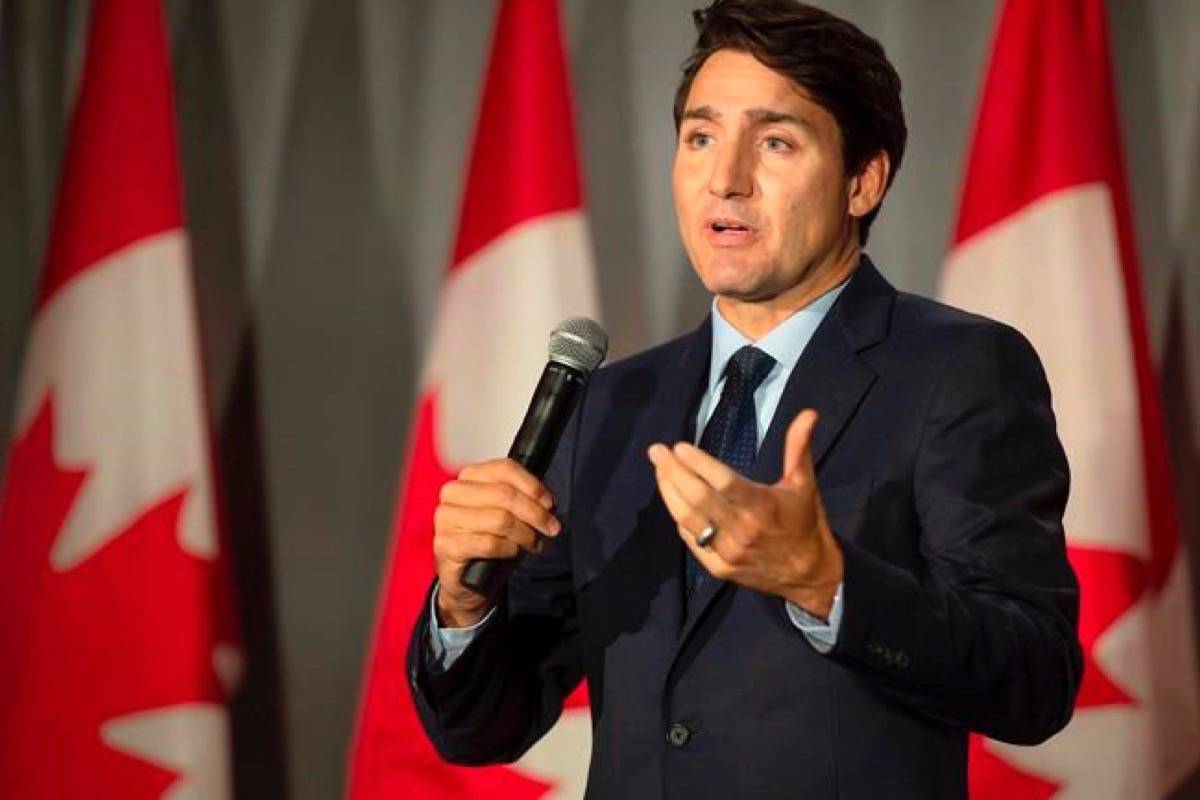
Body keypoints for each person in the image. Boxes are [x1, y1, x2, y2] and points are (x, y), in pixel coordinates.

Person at [407, 1, 1082, 797]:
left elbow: (1035, 677)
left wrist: (827, 584)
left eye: (774, 142)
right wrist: (463, 601)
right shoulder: (615, 403)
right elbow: (483, 725)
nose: (724, 180)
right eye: (699, 138)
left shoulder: (957, 369)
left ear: (863, 181)